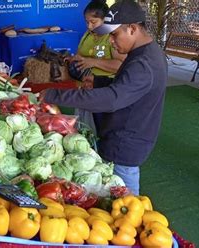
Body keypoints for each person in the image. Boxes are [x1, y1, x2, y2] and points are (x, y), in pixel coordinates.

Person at [41, 0, 168, 195]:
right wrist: (98, 81)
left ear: (132, 29)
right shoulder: (145, 53)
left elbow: (111, 99)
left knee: (125, 206)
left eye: (115, 35)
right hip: (122, 135)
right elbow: (127, 87)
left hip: (125, 145)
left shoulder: (144, 63)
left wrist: (54, 94)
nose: (111, 41)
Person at [69, 0, 126, 132]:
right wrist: (74, 60)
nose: (89, 26)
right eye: (87, 22)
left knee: (103, 128)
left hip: (104, 90)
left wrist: (93, 62)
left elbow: (122, 65)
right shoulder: (87, 35)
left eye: (93, 22)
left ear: (104, 20)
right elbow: (80, 56)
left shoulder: (111, 37)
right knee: (85, 129)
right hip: (84, 88)